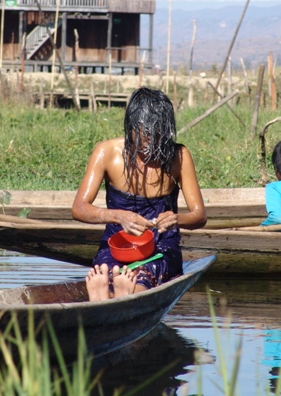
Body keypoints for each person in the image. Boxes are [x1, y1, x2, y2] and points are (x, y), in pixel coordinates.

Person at [72, 87, 207, 301]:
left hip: (161, 247)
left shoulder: (179, 156)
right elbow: (79, 208)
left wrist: (176, 219)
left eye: (157, 136)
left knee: (144, 275)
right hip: (117, 246)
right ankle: (113, 293)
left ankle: (124, 295)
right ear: (131, 127)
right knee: (110, 271)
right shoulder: (106, 152)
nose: (150, 144)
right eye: (144, 136)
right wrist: (119, 216)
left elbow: (199, 216)